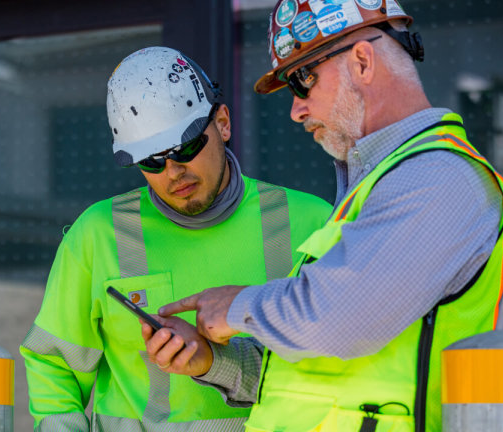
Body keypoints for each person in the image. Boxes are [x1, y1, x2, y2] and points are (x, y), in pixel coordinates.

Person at [143, 2, 503, 432]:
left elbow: (341, 319)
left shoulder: (439, 179)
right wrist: (211, 361)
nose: (296, 110)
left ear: (361, 61)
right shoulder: (377, 189)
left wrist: (236, 306)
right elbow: (305, 374)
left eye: (302, 81)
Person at [19, 46, 332, 431]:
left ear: (223, 123)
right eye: (151, 160)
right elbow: (55, 367)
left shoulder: (311, 224)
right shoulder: (98, 235)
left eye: (186, 146)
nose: (173, 171)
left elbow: (336, 365)